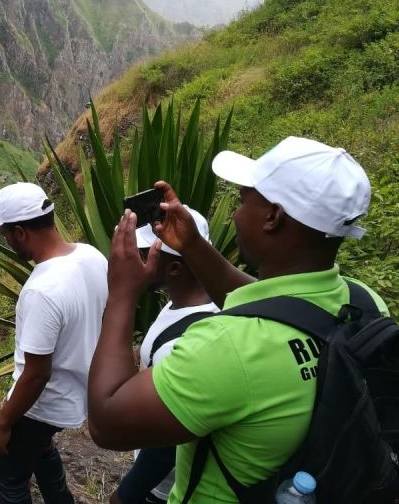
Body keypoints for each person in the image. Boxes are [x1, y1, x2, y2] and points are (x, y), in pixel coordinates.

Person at [87, 136, 390, 504]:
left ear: (272, 217)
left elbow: (106, 422)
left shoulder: (226, 347)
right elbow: (276, 307)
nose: (234, 212)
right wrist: (193, 245)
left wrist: (121, 294)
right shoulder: (362, 302)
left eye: (243, 200)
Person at [0, 182, 108, 504]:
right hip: (77, 393)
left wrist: (2, 422)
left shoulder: (41, 290)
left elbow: (37, 374)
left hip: (43, 405)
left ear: (21, 233)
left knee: (6, 472)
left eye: (5, 234)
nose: (6, 241)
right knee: (41, 448)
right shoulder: (91, 256)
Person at [112, 208, 218, 504]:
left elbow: (167, 444)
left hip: (163, 487)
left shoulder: (185, 343)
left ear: (173, 269)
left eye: (145, 253)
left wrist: (127, 493)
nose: (137, 260)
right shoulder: (184, 303)